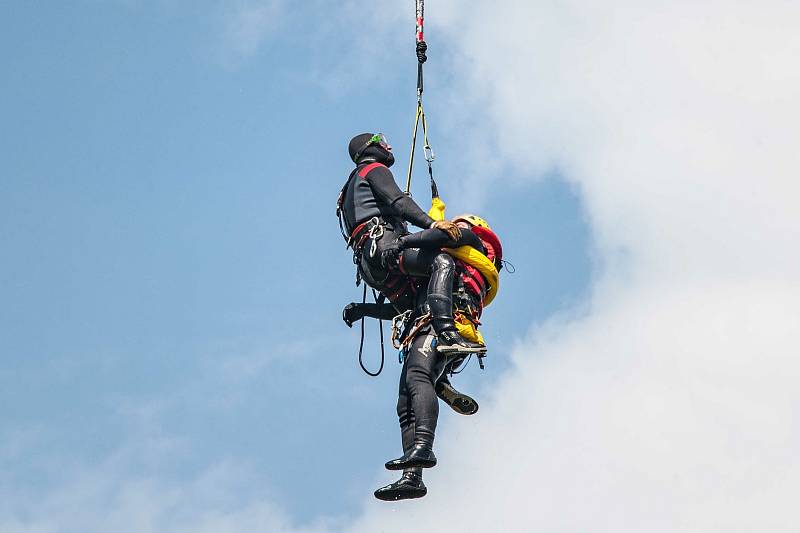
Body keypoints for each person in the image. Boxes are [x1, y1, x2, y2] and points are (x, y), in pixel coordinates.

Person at [344, 214, 503, 501]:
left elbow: (439, 236)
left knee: (417, 378)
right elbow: (404, 306)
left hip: (443, 324)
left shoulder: (469, 240)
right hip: (428, 326)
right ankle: (412, 476)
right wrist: (363, 310)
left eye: (460, 223)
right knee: (405, 399)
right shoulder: (442, 271)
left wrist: (398, 242)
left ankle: (424, 444)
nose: (453, 226)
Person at [338, 133, 486, 354]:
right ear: (369, 149)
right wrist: (433, 224)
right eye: (382, 142)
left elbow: (397, 311)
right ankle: (447, 333)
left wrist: (363, 310)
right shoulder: (373, 169)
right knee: (442, 262)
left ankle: (433, 369)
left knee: (417, 304)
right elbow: (398, 202)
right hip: (384, 246)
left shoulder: (349, 187)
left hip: (370, 265)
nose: (388, 145)